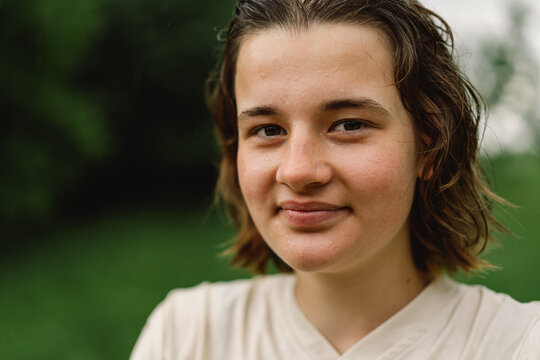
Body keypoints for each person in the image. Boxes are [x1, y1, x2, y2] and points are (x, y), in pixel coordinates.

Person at [130, 0, 540, 358]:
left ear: (428, 147)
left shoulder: (518, 344)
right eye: (268, 130)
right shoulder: (186, 338)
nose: (298, 171)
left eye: (347, 124)